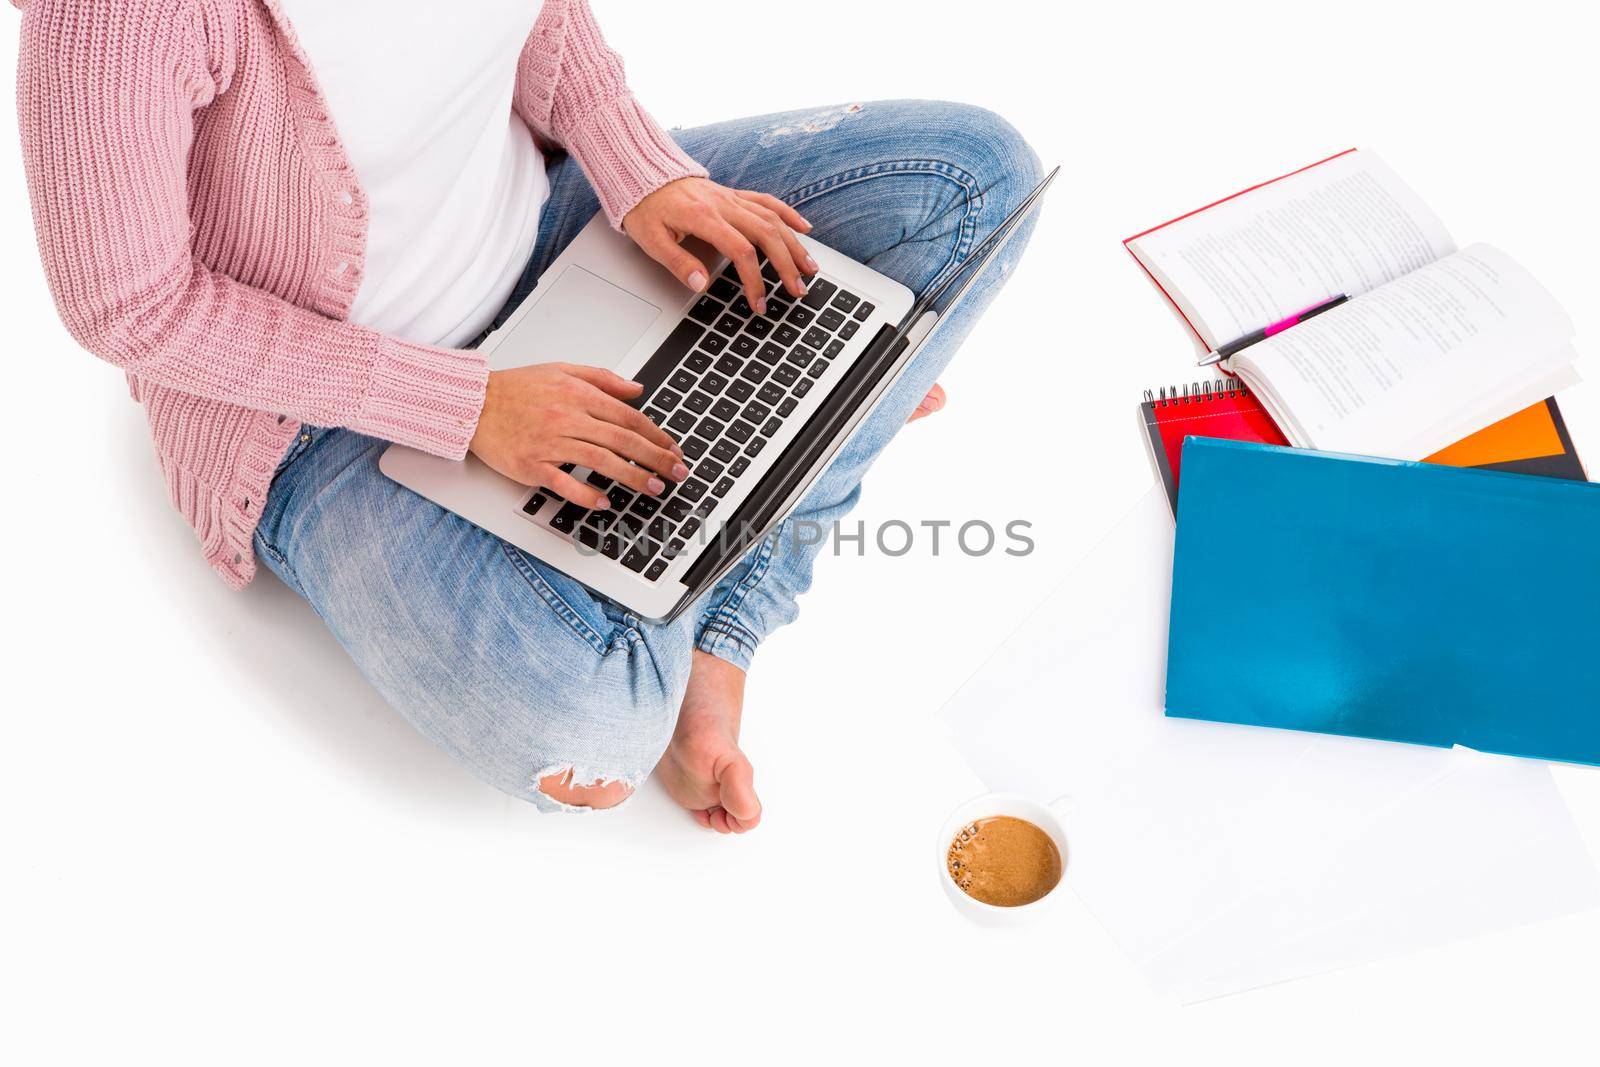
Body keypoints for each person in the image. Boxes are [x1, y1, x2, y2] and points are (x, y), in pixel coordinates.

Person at [14, 0, 1041, 829]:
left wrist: (640, 170)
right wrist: (469, 406)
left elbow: (533, 19)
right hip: (324, 425)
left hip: (553, 228)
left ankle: (741, 564)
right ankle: (816, 430)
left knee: (976, 176)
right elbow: (129, 306)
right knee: (593, 725)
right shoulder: (111, 16)